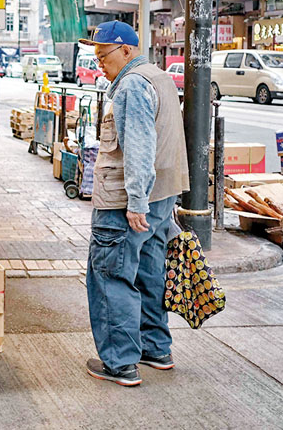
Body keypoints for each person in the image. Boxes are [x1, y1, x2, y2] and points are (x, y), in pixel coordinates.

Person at [78, 21, 189, 388]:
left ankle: (120, 363)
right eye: (96, 57)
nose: (100, 64)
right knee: (148, 272)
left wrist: (136, 202)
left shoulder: (132, 84)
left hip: (129, 201)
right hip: (162, 196)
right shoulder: (159, 78)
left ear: (126, 50)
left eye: (103, 55)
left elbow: (140, 146)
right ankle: (156, 348)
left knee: (112, 275)